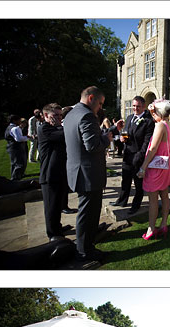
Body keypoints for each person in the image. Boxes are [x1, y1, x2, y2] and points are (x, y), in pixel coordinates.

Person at [64, 86, 122, 263]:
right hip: (88, 174)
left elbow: (87, 138)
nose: (100, 108)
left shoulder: (71, 114)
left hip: (78, 172)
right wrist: (107, 140)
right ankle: (84, 251)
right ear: (91, 98)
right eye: (100, 103)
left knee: (86, 213)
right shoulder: (87, 115)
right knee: (88, 214)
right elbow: (93, 145)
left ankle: (85, 246)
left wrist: (111, 129)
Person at [137, 100, 170, 240]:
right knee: (164, 195)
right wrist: (153, 111)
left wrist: (143, 167)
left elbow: (153, 149)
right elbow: (158, 117)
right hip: (165, 165)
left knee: (153, 199)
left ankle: (151, 228)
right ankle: (164, 224)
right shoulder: (169, 124)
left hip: (156, 166)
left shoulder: (160, 126)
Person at [36, 103, 73, 241]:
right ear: (46, 115)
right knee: (51, 206)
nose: (59, 118)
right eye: (55, 115)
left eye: (60, 115)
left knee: (57, 204)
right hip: (49, 174)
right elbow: (64, 135)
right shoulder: (44, 128)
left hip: (60, 173)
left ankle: (57, 227)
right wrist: (62, 125)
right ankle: (53, 234)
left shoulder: (55, 127)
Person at [117, 96, 153, 213]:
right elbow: (126, 132)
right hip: (127, 154)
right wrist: (123, 138)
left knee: (138, 183)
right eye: (133, 106)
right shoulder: (129, 118)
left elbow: (146, 142)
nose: (135, 108)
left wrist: (140, 156)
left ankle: (136, 205)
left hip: (138, 156)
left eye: (138, 106)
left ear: (143, 107)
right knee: (125, 179)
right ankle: (122, 201)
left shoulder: (148, 122)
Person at [4, 114, 29, 180]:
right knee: (19, 164)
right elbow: (19, 139)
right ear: (14, 120)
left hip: (11, 147)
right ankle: (15, 179)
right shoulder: (15, 128)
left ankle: (14, 178)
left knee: (14, 164)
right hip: (16, 148)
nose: (20, 122)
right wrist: (27, 137)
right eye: (18, 120)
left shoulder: (9, 127)